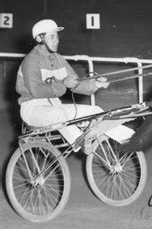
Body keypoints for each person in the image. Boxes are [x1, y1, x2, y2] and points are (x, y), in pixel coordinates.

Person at [16, 19, 134, 154]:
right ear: (39, 38)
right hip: (33, 109)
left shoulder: (58, 59)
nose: (57, 40)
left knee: (95, 111)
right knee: (61, 115)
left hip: (55, 106)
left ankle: (131, 139)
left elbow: (75, 82)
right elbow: (37, 91)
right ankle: (81, 141)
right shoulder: (31, 61)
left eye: (57, 36)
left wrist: (94, 83)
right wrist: (62, 84)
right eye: (52, 36)